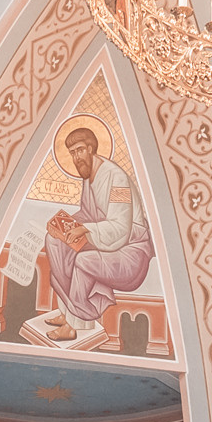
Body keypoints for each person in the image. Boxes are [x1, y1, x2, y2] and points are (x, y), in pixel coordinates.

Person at [40, 126, 156, 346]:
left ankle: (76, 324)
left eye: (80, 150)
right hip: (106, 245)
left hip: (130, 253)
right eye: (72, 152)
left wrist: (85, 229)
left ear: (92, 149)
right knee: (53, 241)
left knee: (83, 260)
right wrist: (62, 225)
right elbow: (87, 213)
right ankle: (68, 311)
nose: (76, 157)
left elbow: (120, 228)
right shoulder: (88, 176)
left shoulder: (117, 179)